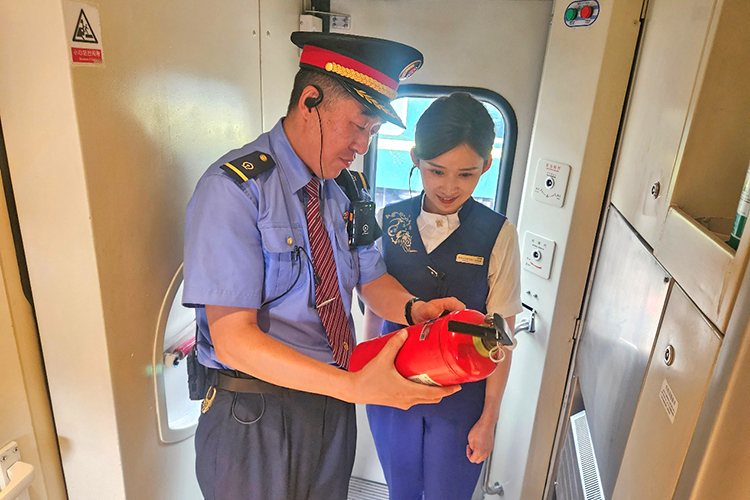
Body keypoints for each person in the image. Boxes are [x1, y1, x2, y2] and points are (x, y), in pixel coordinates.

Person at [182, 32, 466, 500]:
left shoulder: (347, 191)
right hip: (254, 415)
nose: (362, 146)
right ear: (309, 101)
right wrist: (353, 386)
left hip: (332, 403)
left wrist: (416, 310)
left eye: (372, 132)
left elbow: (371, 278)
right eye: (358, 126)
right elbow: (233, 341)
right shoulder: (235, 190)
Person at [364, 92, 522, 500]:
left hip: (461, 401)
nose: (449, 187)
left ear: (486, 166)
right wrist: (366, 376)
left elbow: (502, 338)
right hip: (393, 388)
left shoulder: (499, 234)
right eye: (436, 171)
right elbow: (374, 310)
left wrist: (488, 420)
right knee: (400, 492)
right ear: (416, 159)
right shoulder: (388, 219)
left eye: (466, 174)